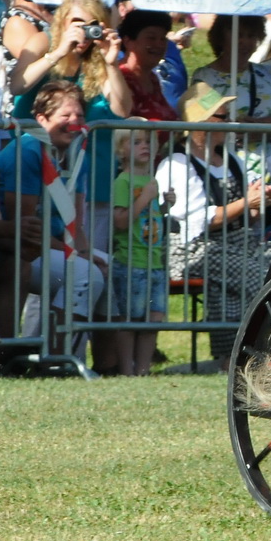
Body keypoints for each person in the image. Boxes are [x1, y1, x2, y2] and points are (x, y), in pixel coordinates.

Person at [160, 82, 271, 359]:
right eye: (224, 117)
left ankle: (246, 355)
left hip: (236, 242)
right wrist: (245, 203)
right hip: (192, 247)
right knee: (255, 275)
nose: (231, 122)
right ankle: (254, 352)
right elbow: (202, 221)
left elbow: (245, 216)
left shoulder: (230, 159)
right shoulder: (178, 163)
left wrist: (259, 201)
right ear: (202, 123)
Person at [0, 81, 110, 353]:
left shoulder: (78, 154)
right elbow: (26, 228)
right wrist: (77, 254)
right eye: (65, 116)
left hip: (53, 246)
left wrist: (84, 250)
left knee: (110, 269)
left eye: (79, 116)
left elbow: (75, 222)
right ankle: (53, 357)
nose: (74, 122)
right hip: (17, 248)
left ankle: (110, 365)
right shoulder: (28, 150)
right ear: (41, 119)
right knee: (85, 275)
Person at [108, 121, 172, 375]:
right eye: (136, 142)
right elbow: (121, 221)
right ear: (122, 150)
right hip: (131, 261)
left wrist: (164, 205)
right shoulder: (123, 182)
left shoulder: (151, 180)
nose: (144, 146)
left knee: (152, 320)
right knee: (131, 319)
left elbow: (150, 218)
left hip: (154, 261)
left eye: (147, 141)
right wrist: (145, 197)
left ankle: (143, 370)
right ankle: (127, 369)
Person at [195, 15, 271, 125]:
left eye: (251, 36)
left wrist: (268, 126)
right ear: (220, 38)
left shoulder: (269, 74)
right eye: (238, 35)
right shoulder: (204, 78)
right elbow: (202, 125)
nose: (245, 42)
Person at [118, 10, 177, 122]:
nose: (159, 45)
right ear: (128, 41)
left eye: (163, 39)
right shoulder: (121, 78)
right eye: (151, 38)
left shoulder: (152, 79)